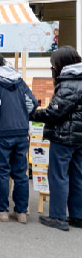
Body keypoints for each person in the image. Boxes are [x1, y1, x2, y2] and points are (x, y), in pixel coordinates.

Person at [0, 51, 37, 224]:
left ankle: (1, 210)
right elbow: (32, 102)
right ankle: (21, 212)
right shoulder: (17, 79)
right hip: (21, 131)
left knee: (2, 171)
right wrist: (21, 116)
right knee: (20, 173)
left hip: (1, 132)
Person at [32, 46, 82, 231]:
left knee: (59, 176)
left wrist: (33, 114)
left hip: (63, 137)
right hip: (79, 139)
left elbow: (55, 112)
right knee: (78, 176)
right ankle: (78, 215)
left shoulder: (69, 82)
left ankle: (58, 216)